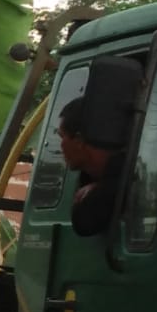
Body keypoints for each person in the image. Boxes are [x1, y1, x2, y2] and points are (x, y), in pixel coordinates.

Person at [57, 97, 126, 237]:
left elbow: (85, 223)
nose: (60, 147)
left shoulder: (124, 177)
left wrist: (97, 191)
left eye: (62, 136)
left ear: (79, 141)